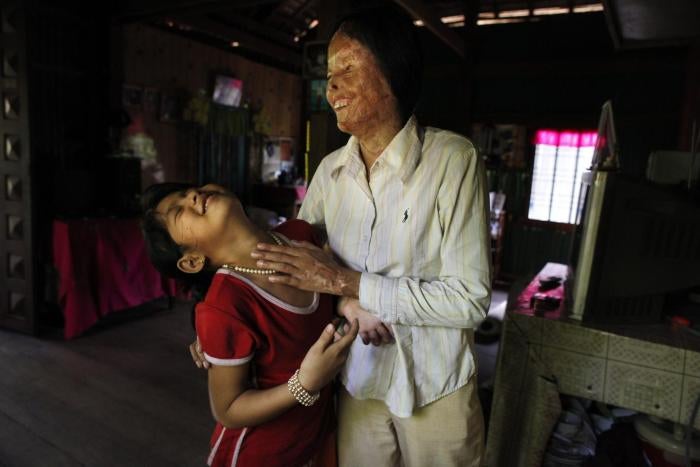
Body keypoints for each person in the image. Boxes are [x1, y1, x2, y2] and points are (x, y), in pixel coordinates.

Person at [246, 8, 492, 467]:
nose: (331, 87)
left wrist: (348, 283)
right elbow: (297, 264)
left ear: (392, 73)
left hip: (436, 385)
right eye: (329, 74)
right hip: (357, 376)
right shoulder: (330, 173)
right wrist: (225, 319)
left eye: (347, 68)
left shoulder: (451, 161)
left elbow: (470, 301)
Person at [141, 182, 358, 467]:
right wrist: (304, 383)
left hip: (315, 438)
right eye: (178, 211)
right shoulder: (225, 306)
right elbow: (228, 409)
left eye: (188, 191)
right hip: (261, 453)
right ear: (192, 261)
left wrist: (345, 302)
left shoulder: (300, 235)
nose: (193, 195)